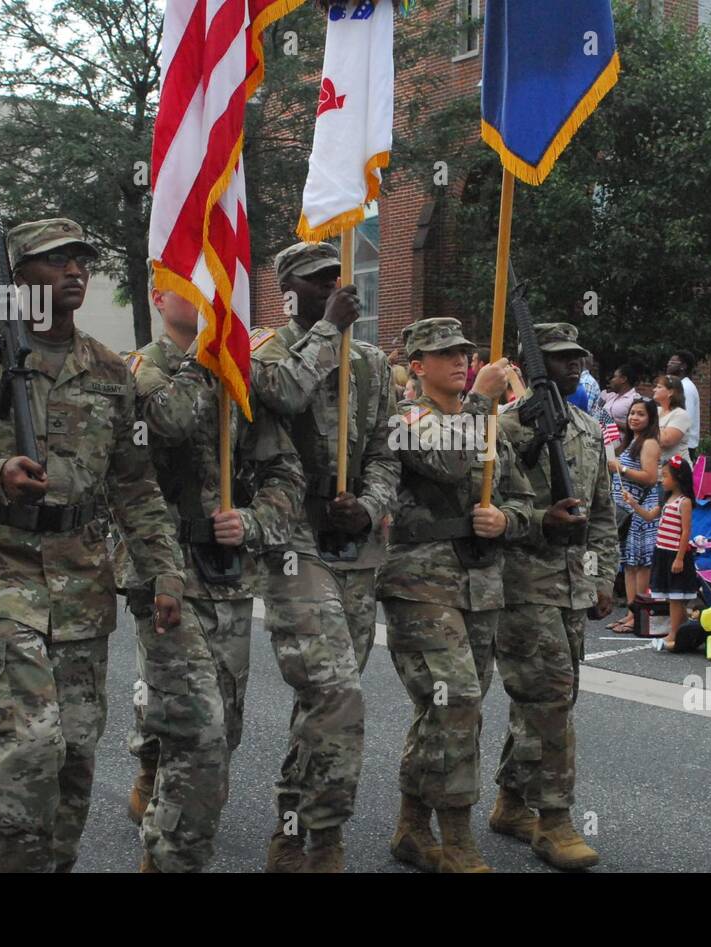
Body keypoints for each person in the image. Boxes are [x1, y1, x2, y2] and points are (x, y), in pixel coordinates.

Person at [0, 217, 185, 872]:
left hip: (82, 585)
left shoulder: (108, 371)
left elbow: (136, 487)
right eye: (56, 259)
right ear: (17, 276)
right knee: (26, 750)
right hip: (1, 576)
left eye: (81, 260)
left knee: (73, 754)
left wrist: (164, 574)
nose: (75, 271)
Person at [117, 283, 304, 873]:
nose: (205, 294)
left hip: (228, 573)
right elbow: (168, 421)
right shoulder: (140, 369)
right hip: (163, 573)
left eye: (213, 282)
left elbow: (284, 470)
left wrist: (252, 520)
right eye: (189, 284)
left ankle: (155, 764)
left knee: (223, 731)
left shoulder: (235, 375)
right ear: (157, 293)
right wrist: (207, 357)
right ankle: (170, 859)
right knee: (199, 734)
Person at [251, 241, 400, 872]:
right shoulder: (268, 353)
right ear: (288, 291)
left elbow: (389, 453)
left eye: (338, 280)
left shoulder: (370, 362)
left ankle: (301, 817)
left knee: (329, 699)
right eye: (317, 283)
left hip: (355, 547)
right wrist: (329, 331)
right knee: (336, 688)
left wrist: (369, 504)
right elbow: (282, 395)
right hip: (293, 542)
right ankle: (318, 833)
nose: (335, 290)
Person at [377, 317, 532, 873]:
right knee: (457, 698)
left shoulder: (487, 423)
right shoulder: (404, 420)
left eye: (464, 353)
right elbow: (444, 462)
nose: (461, 362)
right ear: (417, 366)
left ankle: (413, 825)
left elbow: (523, 500)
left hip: (480, 581)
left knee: (449, 712)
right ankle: (457, 837)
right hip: (420, 582)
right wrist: (482, 403)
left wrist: (505, 520)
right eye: (445, 355)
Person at [492, 322, 617, 871]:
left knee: (551, 700)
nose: (574, 367)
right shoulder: (505, 429)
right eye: (560, 359)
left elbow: (604, 513)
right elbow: (488, 513)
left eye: (578, 358)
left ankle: (511, 801)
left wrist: (603, 576)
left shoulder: (590, 428)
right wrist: (539, 521)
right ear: (531, 364)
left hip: (572, 585)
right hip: (522, 584)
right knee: (549, 698)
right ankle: (555, 820)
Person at [628, 455, 698, 647]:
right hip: (663, 552)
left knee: (676, 599)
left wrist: (680, 558)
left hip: (675, 554)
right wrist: (634, 504)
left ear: (678, 478)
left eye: (665, 475)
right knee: (670, 596)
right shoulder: (667, 500)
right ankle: (681, 630)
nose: (661, 479)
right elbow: (650, 516)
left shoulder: (684, 502)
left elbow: (686, 532)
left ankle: (673, 632)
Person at [608, 398, 662, 633]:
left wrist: (622, 468)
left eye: (640, 414)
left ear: (650, 418)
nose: (634, 418)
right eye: (631, 413)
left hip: (640, 512)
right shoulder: (633, 441)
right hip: (625, 511)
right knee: (629, 565)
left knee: (641, 566)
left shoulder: (649, 443)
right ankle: (631, 613)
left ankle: (639, 616)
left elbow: (650, 477)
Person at [653, 375, 692, 466]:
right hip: (657, 470)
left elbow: (666, 441)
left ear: (670, 392)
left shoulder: (680, 414)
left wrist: (646, 429)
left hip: (676, 471)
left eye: (659, 387)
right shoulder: (656, 411)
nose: (654, 390)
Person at [666, 351, 700, 450]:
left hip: (684, 446)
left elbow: (685, 418)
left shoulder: (686, 388)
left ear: (683, 366)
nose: (668, 364)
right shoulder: (679, 386)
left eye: (672, 362)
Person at [601, 362, 643, 430]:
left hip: (620, 440)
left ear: (623, 379)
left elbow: (637, 427)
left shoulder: (635, 399)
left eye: (614, 377)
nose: (611, 380)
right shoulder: (611, 396)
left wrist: (610, 422)